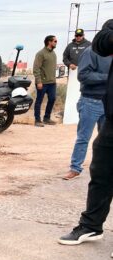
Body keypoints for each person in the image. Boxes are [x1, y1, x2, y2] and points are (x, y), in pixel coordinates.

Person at [59, 18, 113, 251]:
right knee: (100, 172)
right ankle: (91, 225)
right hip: (107, 113)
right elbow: (102, 43)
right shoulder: (96, 46)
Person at [63, 46, 111, 180]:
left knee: (107, 139)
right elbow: (83, 75)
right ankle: (75, 168)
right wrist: (108, 77)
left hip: (109, 102)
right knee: (83, 137)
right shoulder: (91, 52)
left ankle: (104, 169)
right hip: (91, 101)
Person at [33, 35, 58, 127]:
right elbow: (36, 68)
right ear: (49, 42)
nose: (56, 43)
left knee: (52, 99)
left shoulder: (53, 54)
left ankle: (46, 118)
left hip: (52, 82)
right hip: (42, 83)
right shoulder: (40, 53)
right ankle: (37, 120)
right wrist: (39, 81)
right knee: (39, 100)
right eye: (55, 41)